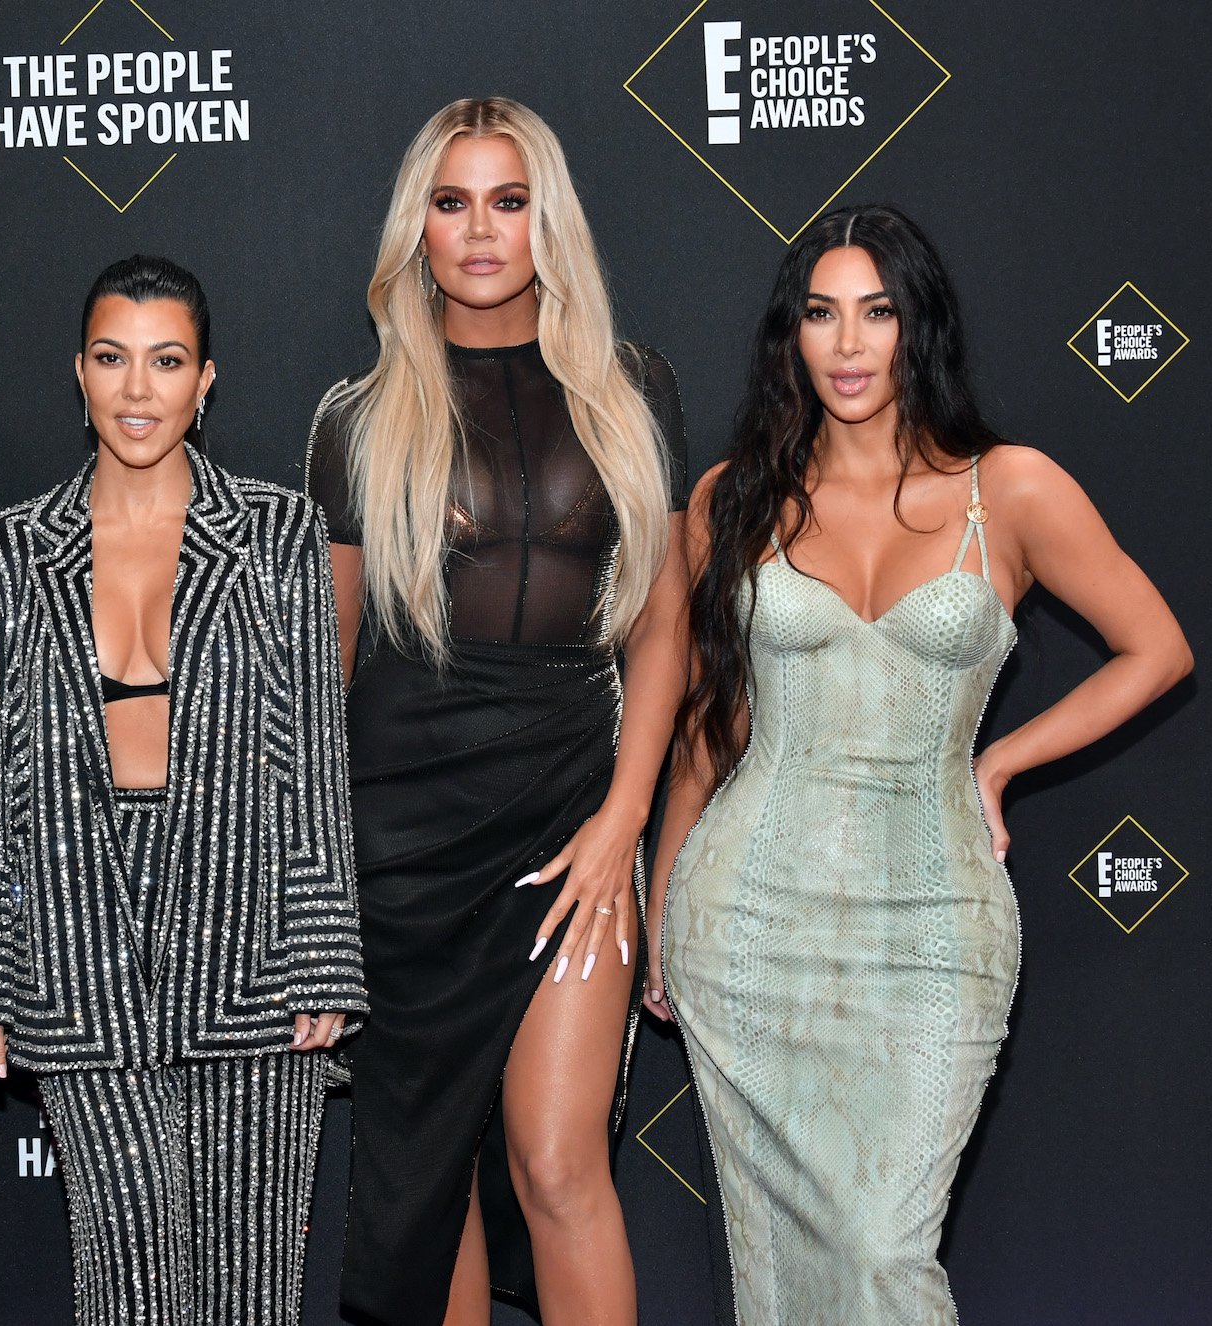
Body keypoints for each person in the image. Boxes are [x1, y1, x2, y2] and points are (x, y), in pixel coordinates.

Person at [650, 203, 1194, 1324]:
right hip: (746, 924)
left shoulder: (1012, 490)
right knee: (776, 1266)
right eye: (820, 314)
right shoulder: (729, 500)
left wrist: (996, 762)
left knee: (879, 1253)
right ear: (788, 336)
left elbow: (1156, 650)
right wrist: (660, 906)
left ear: (917, 327)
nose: (848, 344)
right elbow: (707, 728)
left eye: (877, 312)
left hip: (932, 929)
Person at [308, 98, 690, 1325]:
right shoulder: (357, 418)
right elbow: (331, 659)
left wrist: (623, 820)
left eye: (509, 200)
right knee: (427, 1187)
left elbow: (662, 626)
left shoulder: (633, 392)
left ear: (549, 221)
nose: (481, 231)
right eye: (452, 200)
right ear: (415, 227)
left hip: (571, 814)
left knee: (558, 1159)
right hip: (402, 843)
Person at [0, 255, 366, 1326]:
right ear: (76, 375)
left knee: (246, 1288)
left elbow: (307, 749)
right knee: (123, 1278)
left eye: (165, 361)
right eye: (111, 359)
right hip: (77, 943)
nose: (137, 391)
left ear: (205, 380)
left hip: (251, 943)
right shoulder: (5, 553)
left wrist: (320, 942)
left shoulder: (274, 536)